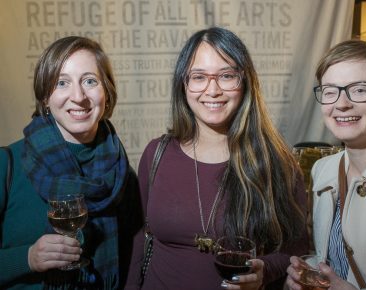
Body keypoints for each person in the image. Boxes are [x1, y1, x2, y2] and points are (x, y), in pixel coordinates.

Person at [126, 27, 308, 290]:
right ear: (183, 84)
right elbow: (139, 239)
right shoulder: (156, 153)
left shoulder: (277, 161)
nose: (212, 90)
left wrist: (265, 271)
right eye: (198, 77)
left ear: (244, 81)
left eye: (226, 76)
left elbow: (296, 250)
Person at [0, 36, 140, 289]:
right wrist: (27, 258)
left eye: (89, 81)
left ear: (106, 94)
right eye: (62, 83)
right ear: (45, 98)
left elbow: (135, 262)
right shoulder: (7, 165)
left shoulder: (122, 176)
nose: (78, 96)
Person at [286, 40, 366, 290]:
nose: (341, 103)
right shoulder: (323, 169)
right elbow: (331, 257)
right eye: (330, 91)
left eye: (359, 89)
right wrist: (305, 273)